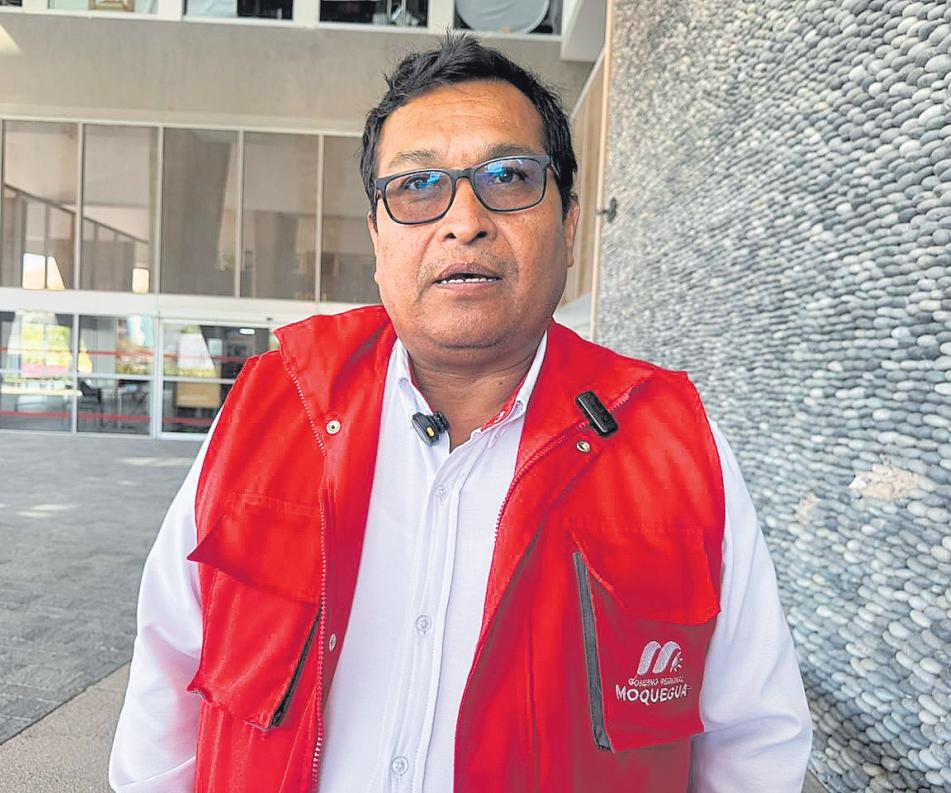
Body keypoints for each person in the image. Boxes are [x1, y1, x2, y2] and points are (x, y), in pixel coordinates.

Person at [109, 33, 812, 793]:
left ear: (569, 225)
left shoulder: (675, 443)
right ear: (377, 236)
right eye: (417, 186)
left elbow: (754, 746)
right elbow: (167, 678)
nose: (464, 220)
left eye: (509, 176)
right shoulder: (270, 405)